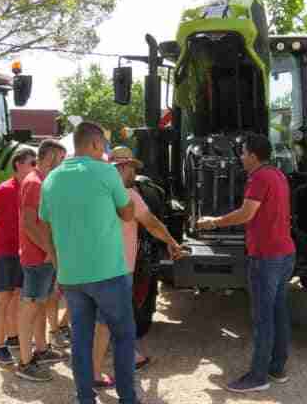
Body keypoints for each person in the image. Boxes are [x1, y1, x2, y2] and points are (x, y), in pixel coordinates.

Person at [39, 122, 140, 404]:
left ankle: (84, 398)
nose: (105, 152)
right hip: (109, 272)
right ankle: (127, 398)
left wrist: (58, 262)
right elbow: (128, 214)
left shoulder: (52, 178)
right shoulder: (107, 172)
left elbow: (44, 226)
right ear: (96, 144)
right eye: (104, 146)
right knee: (123, 336)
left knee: (81, 342)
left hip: (72, 277)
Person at [197, 133, 296, 393]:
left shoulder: (259, 177)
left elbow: (246, 214)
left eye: (242, 153)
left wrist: (212, 222)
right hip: (285, 252)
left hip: (266, 257)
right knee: (278, 312)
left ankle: (258, 376)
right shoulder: (277, 174)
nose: (240, 157)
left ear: (253, 155)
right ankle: (277, 368)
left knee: (263, 318)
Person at [92, 146, 185, 387]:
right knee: (111, 320)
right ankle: (108, 371)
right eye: (132, 167)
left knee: (106, 319)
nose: (134, 172)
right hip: (119, 267)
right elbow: (152, 224)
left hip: (97, 264)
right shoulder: (127, 195)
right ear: (121, 168)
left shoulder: (96, 192)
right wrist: (173, 243)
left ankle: (108, 364)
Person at [15, 139, 69, 382]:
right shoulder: (34, 183)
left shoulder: (42, 181)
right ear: (50, 157)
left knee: (41, 303)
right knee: (31, 308)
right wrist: (50, 250)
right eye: (61, 158)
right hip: (38, 257)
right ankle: (25, 362)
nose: (63, 163)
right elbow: (27, 223)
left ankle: (41, 350)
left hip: (44, 256)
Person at [0, 148, 37, 366]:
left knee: (17, 294)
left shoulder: (32, 189)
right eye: (31, 162)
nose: (35, 166)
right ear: (18, 165)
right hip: (5, 252)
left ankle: (14, 336)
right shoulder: (3, 190)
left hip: (23, 251)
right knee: (4, 297)